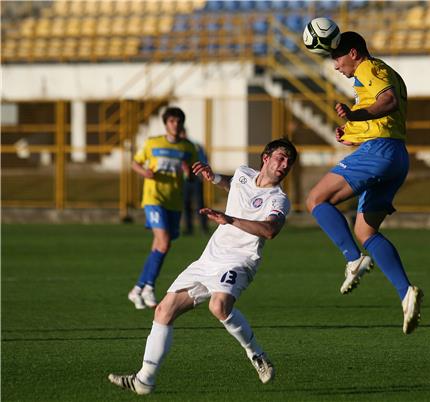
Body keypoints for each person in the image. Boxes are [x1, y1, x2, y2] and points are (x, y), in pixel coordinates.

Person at [108, 138, 298, 395]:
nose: (285, 165)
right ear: (265, 158)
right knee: (164, 310)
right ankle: (144, 380)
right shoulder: (244, 173)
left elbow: (270, 230)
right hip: (210, 258)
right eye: (281, 158)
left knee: (218, 305)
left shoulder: (279, 199)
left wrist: (228, 218)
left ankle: (257, 356)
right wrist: (214, 176)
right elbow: (235, 184)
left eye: (289, 162)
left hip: (240, 260)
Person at [305, 32, 423, 335]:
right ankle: (405, 292)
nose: (335, 66)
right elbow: (384, 114)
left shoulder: (368, 68)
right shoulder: (384, 72)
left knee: (316, 200)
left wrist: (355, 113)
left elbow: (388, 102)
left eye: (337, 58)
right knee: (365, 230)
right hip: (397, 154)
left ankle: (353, 260)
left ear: (354, 53)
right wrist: (351, 131)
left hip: (380, 151)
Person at [128, 107, 198, 310]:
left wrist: (189, 173)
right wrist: (145, 172)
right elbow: (135, 163)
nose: (175, 125)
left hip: (174, 201)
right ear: (166, 123)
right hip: (154, 199)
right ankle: (149, 286)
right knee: (164, 242)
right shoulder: (153, 143)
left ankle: (137, 289)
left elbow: (193, 176)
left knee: (160, 244)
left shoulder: (188, 147)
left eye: (178, 121)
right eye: (171, 121)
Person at [180, 131, 209, 236]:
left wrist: (203, 173)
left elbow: (203, 159)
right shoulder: (178, 147)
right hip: (184, 179)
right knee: (186, 204)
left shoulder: (195, 146)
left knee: (199, 203)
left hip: (196, 178)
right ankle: (188, 228)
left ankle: (203, 227)